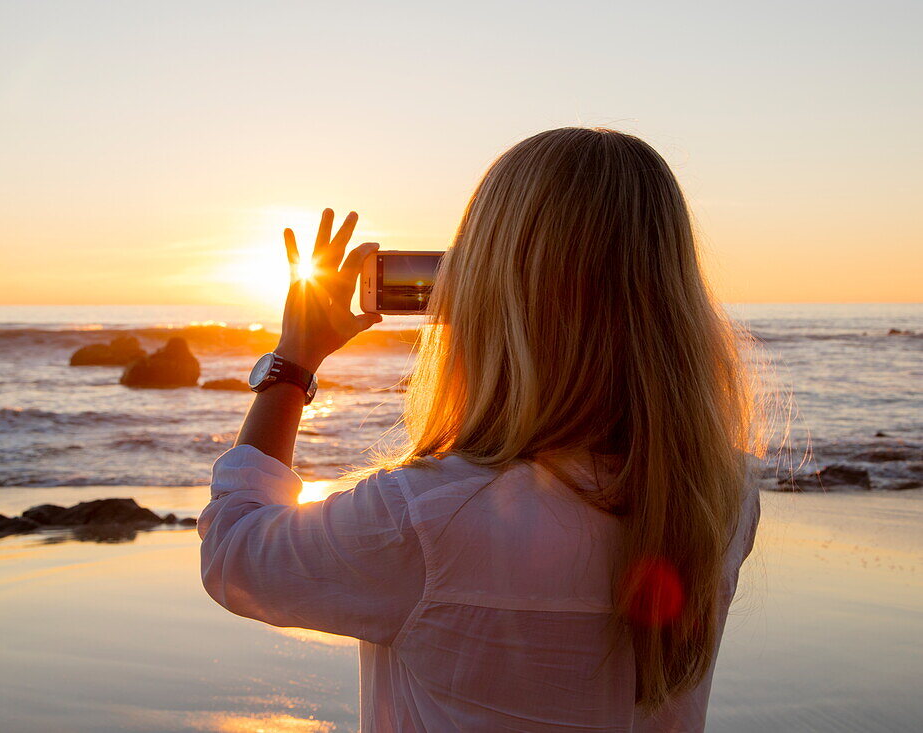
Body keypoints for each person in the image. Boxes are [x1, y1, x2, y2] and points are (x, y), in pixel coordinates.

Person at [199, 127, 763, 732]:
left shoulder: (428, 515)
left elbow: (234, 552)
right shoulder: (723, 493)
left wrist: (293, 364)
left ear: (488, 291)